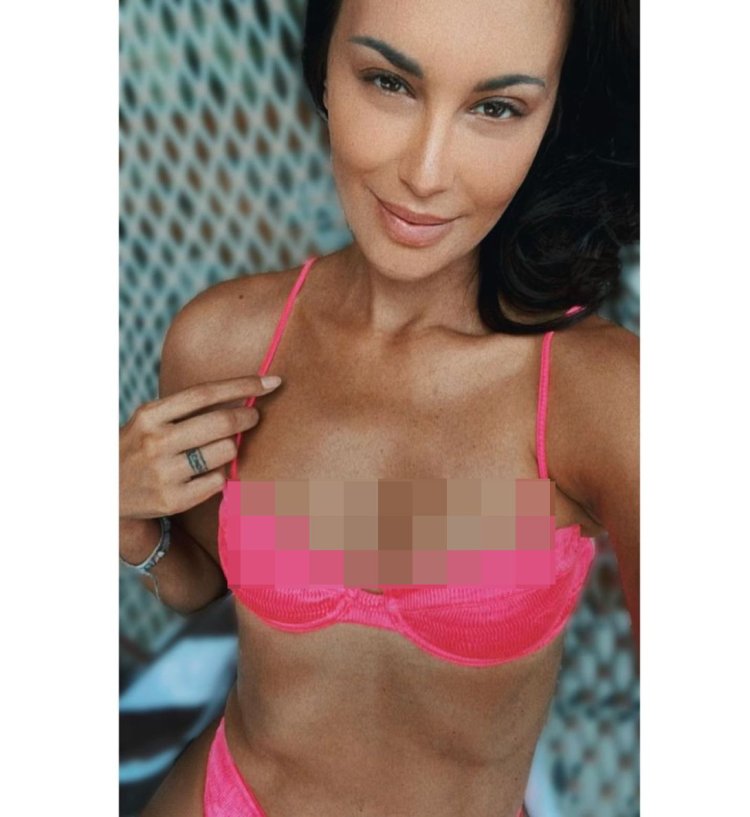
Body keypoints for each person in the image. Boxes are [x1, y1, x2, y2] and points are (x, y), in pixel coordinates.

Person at [120, 0, 639, 814]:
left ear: (554, 120)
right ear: (326, 69)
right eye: (390, 82)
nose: (426, 173)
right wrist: (125, 521)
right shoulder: (226, 342)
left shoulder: (599, 396)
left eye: (497, 107)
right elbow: (205, 581)